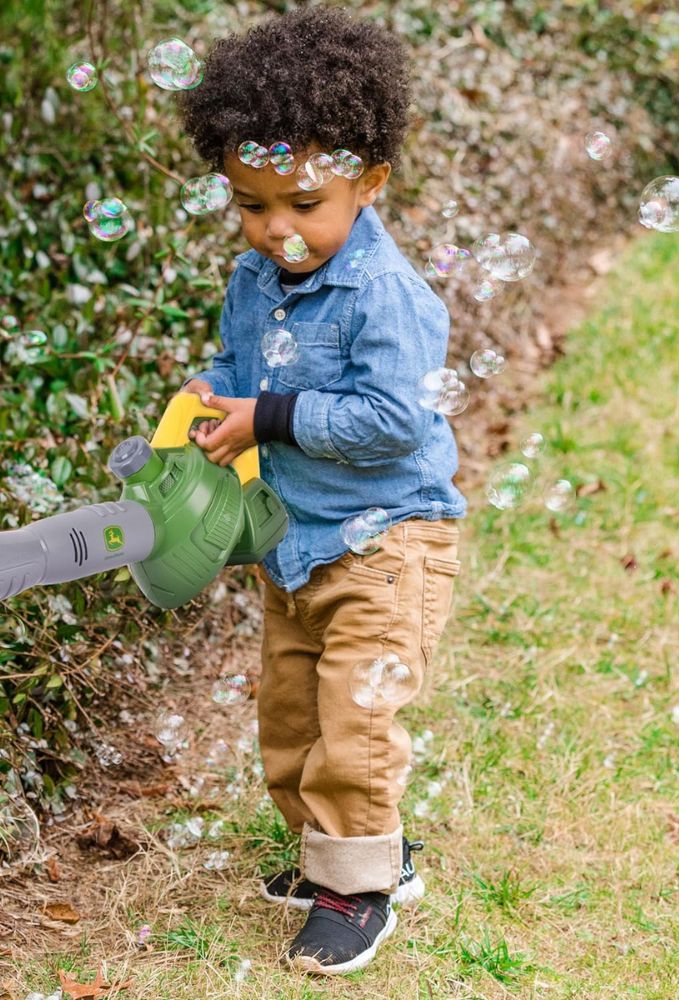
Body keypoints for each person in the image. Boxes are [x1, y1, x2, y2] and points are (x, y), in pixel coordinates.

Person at [173, 5, 467, 976]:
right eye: (252, 205)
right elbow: (237, 362)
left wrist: (266, 416)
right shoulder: (255, 278)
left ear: (368, 182)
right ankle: (339, 851)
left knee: (355, 716)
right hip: (297, 541)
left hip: (389, 542)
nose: (277, 231)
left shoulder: (385, 297)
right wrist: (214, 398)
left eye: (303, 204)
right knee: (292, 716)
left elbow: (392, 419)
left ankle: (358, 889)